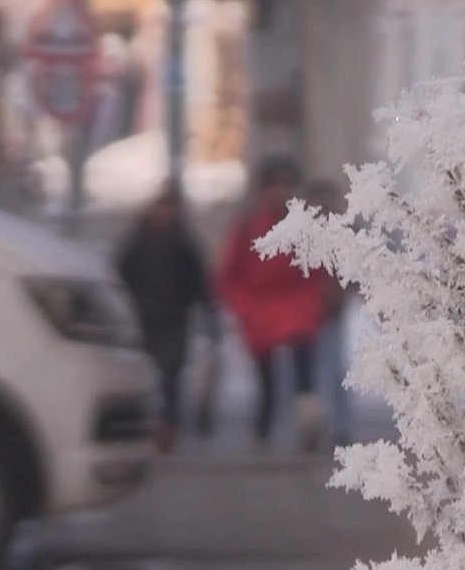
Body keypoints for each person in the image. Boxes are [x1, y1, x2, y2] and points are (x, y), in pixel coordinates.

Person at [216, 155, 330, 451]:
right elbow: (230, 273)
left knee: (303, 368)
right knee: (265, 378)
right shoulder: (248, 226)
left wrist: (315, 299)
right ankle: (263, 430)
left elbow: (316, 268)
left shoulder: (304, 226)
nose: (280, 192)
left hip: (297, 306)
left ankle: (306, 418)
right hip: (259, 310)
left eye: (286, 185)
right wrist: (242, 307)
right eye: (274, 185)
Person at [116, 183, 215, 452]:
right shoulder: (137, 240)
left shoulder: (184, 242)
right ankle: (147, 424)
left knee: (171, 374)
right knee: (146, 373)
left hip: (174, 317)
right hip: (144, 317)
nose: (165, 214)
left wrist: (208, 309)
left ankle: (168, 425)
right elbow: (121, 275)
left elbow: (198, 280)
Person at [303, 178, 355, 446]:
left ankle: (338, 424)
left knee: (333, 371)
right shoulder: (301, 234)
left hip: (330, 313)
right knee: (314, 372)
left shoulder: (340, 232)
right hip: (303, 313)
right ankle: (316, 424)